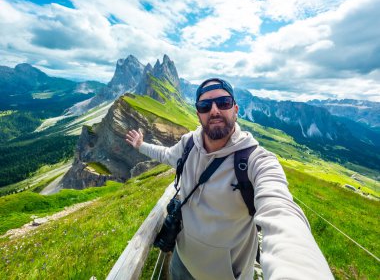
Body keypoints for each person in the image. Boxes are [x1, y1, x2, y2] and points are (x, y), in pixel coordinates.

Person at [126, 78, 333, 280]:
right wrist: (140, 146)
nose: (214, 110)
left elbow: (281, 212)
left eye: (223, 102)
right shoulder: (188, 144)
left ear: (235, 109)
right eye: (205, 105)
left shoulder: (255, 160)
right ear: (198, 113)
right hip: (182, 262)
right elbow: (166, 155)